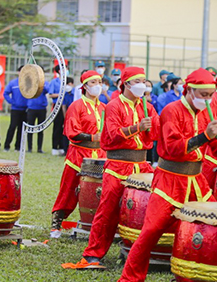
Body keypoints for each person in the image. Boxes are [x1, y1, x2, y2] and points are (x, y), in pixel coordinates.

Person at [112, 68, 217, 282]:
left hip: (196, 183)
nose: (207, 99)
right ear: (189, 89)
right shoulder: (171, 111)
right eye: (203, 94)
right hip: (168, 181)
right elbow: (174, 148)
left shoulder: (208, 109)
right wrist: (205, 137)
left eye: (210, 94)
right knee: (151, 232)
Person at [68, 67, 160, 267]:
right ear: (126, 84)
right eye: (138, 81)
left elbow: (155, 135)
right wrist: (138, 127)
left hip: (142, 165)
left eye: (144, 81)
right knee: (107, 210)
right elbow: (112, 134)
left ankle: (142, 252)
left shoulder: (148, 107)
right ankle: (93, 253)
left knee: (149, 208)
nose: (142, 85)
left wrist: (155, 127)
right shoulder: (114, 106)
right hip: (118, 165)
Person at [50, 71, 107, 238]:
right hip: (79, 154)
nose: (98, 85)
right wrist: (91, 137)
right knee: (69, 190)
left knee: (99, 192)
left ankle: (95, 225)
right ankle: (57, 222)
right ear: (85, 86)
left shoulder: (104, 107)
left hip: (100, 155)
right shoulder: (77, 106)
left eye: (99, 81)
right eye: (94, 82)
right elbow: (71, 131)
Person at [3, 65, 28, 152]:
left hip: (25, 110)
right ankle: (6, 146)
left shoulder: (29, 84)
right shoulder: (13, 83)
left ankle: (18, 147)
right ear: (18, 72)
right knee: (12, 127)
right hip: (15, 109)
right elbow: (5, 93)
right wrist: (12, 102)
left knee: (22, 129)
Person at [47, 65, 66, 156]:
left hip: (66, 105)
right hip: (57, 105)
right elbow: (50, 94)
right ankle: (55, 147)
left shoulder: (67, 81)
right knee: (57, 126)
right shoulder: (54, 82)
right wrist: (60, 94)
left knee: (64, 127)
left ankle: (62, 146)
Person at [26, 85, 48, 153]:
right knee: (30, 128)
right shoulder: (31, 83)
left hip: (41, 109)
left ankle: (39, 148)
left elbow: (48, 90)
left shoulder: (44, 83)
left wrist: (42, 84)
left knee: (40, 130)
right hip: (31, 108)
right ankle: (29, 148)